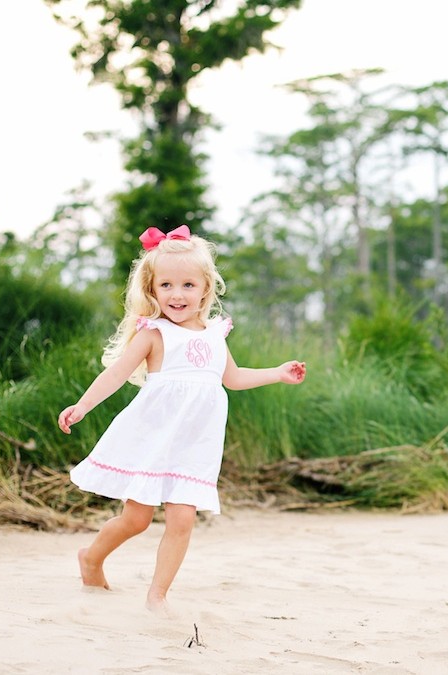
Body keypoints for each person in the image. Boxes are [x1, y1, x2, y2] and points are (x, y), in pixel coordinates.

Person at [58, 224, 306, 616]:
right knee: (136, 519)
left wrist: (276, 372)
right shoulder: (153, 334)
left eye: (188, 285)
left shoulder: (214, 335)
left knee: (182, 520)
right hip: (153, 440)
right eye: (167, 286)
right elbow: (116, 374)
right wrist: (83, 405)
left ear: (205, 289)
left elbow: (234, 379)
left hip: (194, 446)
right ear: (152, 290)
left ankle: (157, 595)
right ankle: (91, 557)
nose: (177, 294)